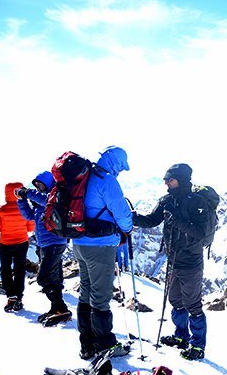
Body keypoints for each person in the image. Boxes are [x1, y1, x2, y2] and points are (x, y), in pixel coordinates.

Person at [133, 163, 213, 361]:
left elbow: (201, 233)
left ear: (182, 179)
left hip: (191, 261)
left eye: (170, 179)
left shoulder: (197, 202)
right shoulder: (167, 200)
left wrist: (175, 220)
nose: (166, 183)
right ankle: (181, 337)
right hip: (173, 260)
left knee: (193, 304)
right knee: (176, 300)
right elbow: (152, 220)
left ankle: (197, 346)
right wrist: (132, 218)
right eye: (165, 180)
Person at [71, 146, 133, 360]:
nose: (121, 171)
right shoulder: (106, 180)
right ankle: (105, 345)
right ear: (116, 163)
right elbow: (123, 215)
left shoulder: (84, 176)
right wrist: (127, 229)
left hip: (79, 243)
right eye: (121, 167)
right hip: (100, 246)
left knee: (85, 292)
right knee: (101, 297)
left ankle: (86, 344)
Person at [16, 171, 71, 324]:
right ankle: (57, 308)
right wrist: (21, 200)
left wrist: (27, 193)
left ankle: (60, 307)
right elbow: (28, 216)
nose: (38, 187)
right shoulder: (40, 203)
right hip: (45, 244)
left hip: (55, 242)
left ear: (48, 183)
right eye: (36, 185)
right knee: (54, 277)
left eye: (40, 184)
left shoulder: (54, 197)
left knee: (44, 277)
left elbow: (46, 200)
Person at [0, 182, 35, 312]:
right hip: (22, 243)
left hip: (6, 244)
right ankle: (19, 297)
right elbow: (31, 227)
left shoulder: (0, 211)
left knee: (5, 270)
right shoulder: (25, 208)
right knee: (19, 269)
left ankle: (11, 296)